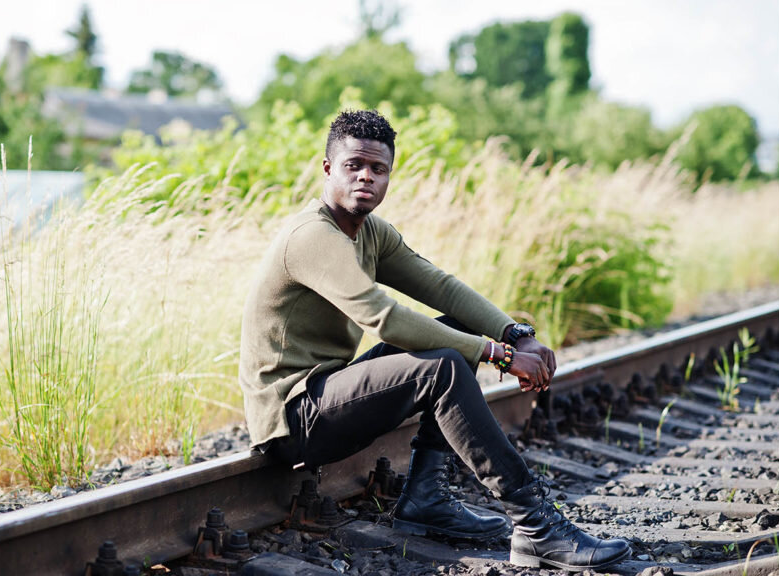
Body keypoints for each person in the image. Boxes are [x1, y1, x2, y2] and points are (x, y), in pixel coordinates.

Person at [238, 109, 631, 571]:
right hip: (293, 416)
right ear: (328, 169)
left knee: (459, 329)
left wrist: (514, 334)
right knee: (441, 367)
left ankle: (426, 498)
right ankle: (536, 526)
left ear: (389, 175)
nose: (366, 177)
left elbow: (440, 287)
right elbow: (383, 318)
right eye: (353, 166)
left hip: (325, 392)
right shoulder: (313, 236)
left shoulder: (369, 232)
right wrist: (498, 355)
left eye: (378, 169)